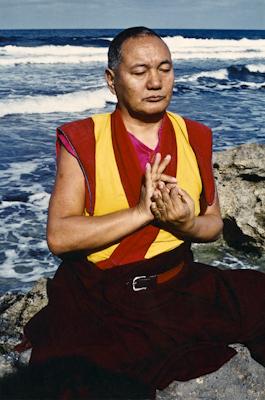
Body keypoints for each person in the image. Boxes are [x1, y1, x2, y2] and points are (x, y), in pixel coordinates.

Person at [16, 27, 265, 399]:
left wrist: (186, 223)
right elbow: (60, 236)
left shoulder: (194, 134)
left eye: (165, 69)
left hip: (179, 285)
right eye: (140, 71)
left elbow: (211, 225)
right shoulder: (85, 138)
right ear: (112, 81)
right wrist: (140, 212)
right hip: (103, 297)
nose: (155, 82)